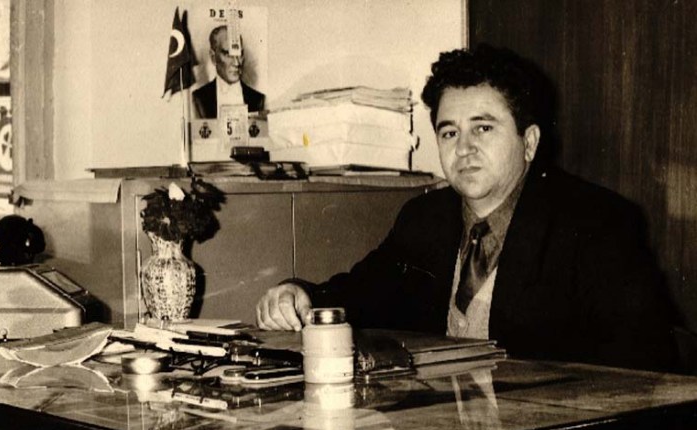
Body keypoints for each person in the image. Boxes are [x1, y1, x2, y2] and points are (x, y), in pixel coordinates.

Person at [255, 44, 681, 373]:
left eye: (483, 128)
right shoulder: (425, 218)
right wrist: (303, 295)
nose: (464, 149)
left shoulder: (596, 224)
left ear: (529, 142)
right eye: (449, 133)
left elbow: (642, 365)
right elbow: (365, 290)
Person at [193, 24, 265, 119]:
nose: (236, 63)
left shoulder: (258, 99)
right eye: (229, 55)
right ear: (213, 57)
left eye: (239, 54)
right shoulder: (199, 98)